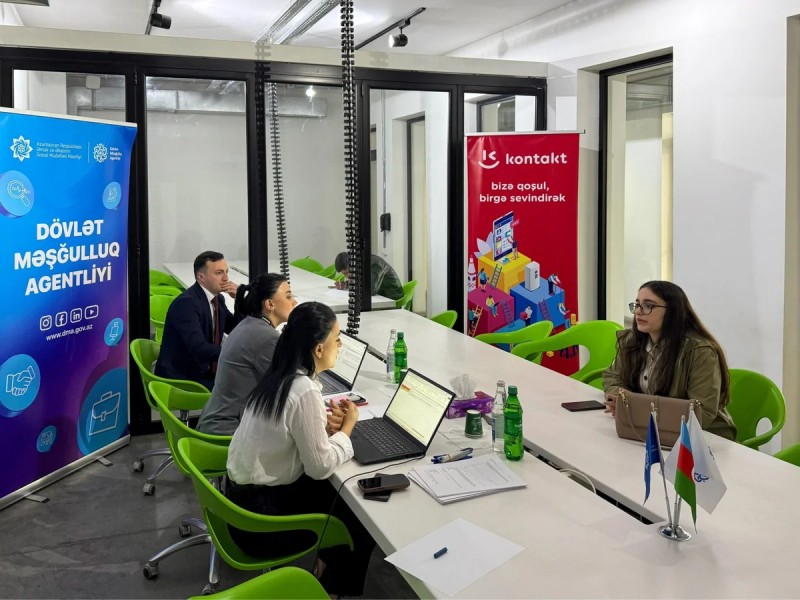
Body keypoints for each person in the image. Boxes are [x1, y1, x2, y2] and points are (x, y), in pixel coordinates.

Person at [225, 302, 375, 597]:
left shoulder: (279, 376)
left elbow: (286, 434)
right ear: (318, 349)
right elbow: (319, 467)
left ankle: (324, 569)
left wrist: (322, 429)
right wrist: (346, 429)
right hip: (261, 526)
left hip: (240, 506)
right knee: (359, 513)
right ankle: (329, 589)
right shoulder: (303, 389)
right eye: (337, 339)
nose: (341, 345)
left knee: (338, 495)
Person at [602, 280, 737, 441]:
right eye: (637, 305)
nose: (638, 311)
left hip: (702, 438)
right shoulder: (631, 341)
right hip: (647, 430)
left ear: (673, 312)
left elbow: (703, 412)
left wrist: (635, 408)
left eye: (648, 306)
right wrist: (623, 400)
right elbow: (613, 376)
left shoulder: (700, 351)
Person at [197, 273, 319, 435]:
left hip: (215, 420)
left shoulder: (249, 324)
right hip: (227, 429)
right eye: (288, 296)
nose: (294, 302)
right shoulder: (266, 337)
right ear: (270, 304)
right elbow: (294, 388)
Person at [155, 251, 239, 390]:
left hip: (204, 370)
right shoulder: (187, 304)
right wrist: (235, 353)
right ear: (201, 277)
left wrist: (239, 300)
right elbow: (199, 348)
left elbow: (235, 328)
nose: (226, 278)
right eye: (219, 273)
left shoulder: (218, 299)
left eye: (226, 272)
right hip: (183, 377)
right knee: (241, 388)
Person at [333, 251, 403, 300]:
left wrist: (351, 285)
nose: (347, 276)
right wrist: (346, 284)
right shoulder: (360, 263)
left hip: (392, 297)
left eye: (347, 272)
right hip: (381, 296)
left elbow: (370, 290)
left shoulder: (374, 264)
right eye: (344, 274)